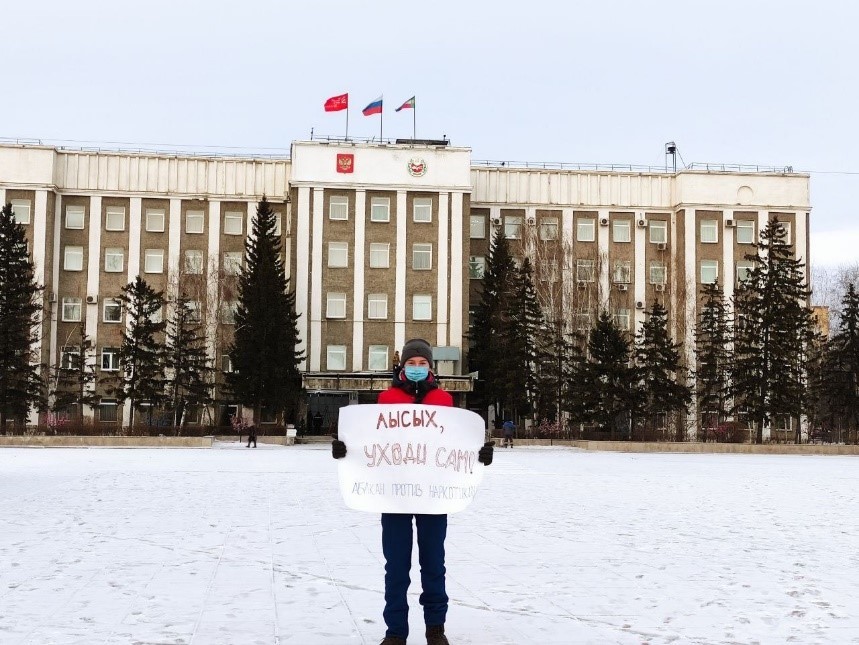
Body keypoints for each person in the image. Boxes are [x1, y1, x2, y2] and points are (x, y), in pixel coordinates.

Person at [332, 338, 494, 645]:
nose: (417, 368)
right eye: (411, 363)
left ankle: (435, 628)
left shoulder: (444, 401)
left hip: (434, 496)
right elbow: (369, 442)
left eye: (423, 363)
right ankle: (395, 631)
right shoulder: (386, 399)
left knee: (433, 563)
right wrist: (344, 449)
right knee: (396, 566)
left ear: (431, 367)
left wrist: (480, 454)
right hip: (393, 495)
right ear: (402, 366)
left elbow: (458, 442)